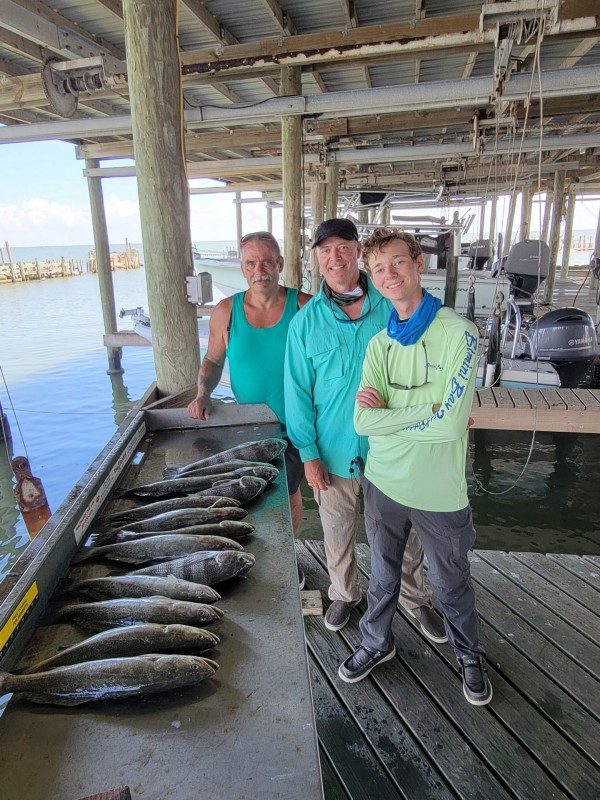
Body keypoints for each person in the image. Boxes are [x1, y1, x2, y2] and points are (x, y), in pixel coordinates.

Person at [337, 227, 492, 706]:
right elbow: (363, 419)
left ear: (419, 262)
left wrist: (393, 410)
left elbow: (451, 427)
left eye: (397, 262)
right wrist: (429, 403)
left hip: (439, 492)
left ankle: (469, 655)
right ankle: (375, 642)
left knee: (450, 582)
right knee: (383, 576)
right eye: (378, 268)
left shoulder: (460, 334)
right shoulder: (380, 344)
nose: (389, 275)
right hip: (383, 483)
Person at [284, 218, 445, 641]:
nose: (334, 257)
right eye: (325, 251)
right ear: (317, 260)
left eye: (342, 247)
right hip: (332, 453)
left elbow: (433, 366)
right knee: (336, 529)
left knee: (403, 534)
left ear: (357, 251)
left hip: (393, 449)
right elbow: (297, 392)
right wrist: (308, 452)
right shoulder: (304, 322)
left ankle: (415, 598)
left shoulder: (396, 306)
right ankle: (344, 593)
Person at [187, 231, 311, 582]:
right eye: (252, 263)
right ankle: (263, 552)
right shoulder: (227, 311)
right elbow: (212, 360)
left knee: (288, 493)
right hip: (250, 425)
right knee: (253, 494)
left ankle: (289, 555)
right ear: (242, 269)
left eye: (268, 261)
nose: (261, 269)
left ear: (280, 264)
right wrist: (203, 393)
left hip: (297, 422)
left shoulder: (303, 305)